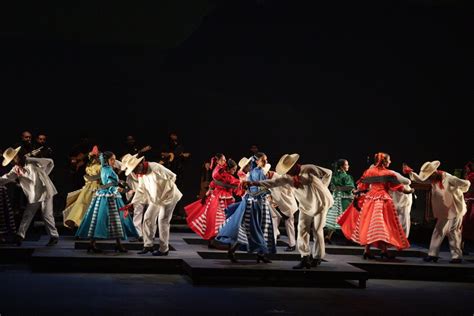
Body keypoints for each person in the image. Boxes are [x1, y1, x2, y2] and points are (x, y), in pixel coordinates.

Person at [245, 153, 333, 269]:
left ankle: (317, 257)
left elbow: (328, 172)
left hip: (320, 203)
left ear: (293, 165)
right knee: (301, 229)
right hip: (305, 205)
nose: (287, 172)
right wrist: (254, 183)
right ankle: (304, 257)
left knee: (317, 230)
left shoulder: (308, 168)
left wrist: (323, 187)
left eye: (288, 169)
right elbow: (273, 183)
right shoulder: (287, 177)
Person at [340, 153, 413, 260]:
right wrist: (410, 191)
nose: (390, 162)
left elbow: (361, 185)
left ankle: (369, 250)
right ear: (383, 161)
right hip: (382, 201)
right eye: (389, 160)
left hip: (369, 200)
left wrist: (356, 192)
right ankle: (382, 251)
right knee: (381, 226)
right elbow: (400, 188)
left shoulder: (369, 172)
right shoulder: (388, 173)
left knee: (371, 225)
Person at [404, 160, 470, 263]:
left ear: (434, 172)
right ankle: (433, 254)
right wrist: (410, 173)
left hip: (455, 208)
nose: (429, 178)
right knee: (438, 230)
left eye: (430, 176)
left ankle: (457, 257)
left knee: (453, 231)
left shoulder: (448, 177)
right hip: (444, 208)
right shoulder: (433, 179)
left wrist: (459, 191)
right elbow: (421, 180)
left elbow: (466, 183)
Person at [216, 153, 276, 264]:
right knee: (250, 229)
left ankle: (260, 254)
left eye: (266, 160)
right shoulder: (255, 173)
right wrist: (268, 194)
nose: (266, 162)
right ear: (257, 161)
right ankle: (234, 251)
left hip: (259, 203)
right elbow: (255, 190)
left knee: (260, 228)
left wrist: (267, 195)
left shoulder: (257, 172)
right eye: (263, 160)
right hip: (254, 204)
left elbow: (259, 188)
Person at [76, 152, 138, 253]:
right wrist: (117, 188)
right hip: (108, 196)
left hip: (108, 195)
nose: (114, 161)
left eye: (114, 159)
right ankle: (103, 243)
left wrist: (119, 182)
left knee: (110, 219)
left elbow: (107, 182)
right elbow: (107, 184)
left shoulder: (106, 168)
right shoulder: (107, 169)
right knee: (106, 219)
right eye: (112, 159)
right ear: (106, 160)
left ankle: (112, 244)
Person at [122, 153, 182, 256]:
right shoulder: (141, 175)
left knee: (162, 220)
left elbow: (173, 176)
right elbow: (140, 190)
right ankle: (148, 245)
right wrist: (132, 203)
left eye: (135, 169)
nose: (135, 172)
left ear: (140, 163)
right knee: (147, 218)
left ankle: (164, 249)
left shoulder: (155, 167)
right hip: (156, 199)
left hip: (168, 197)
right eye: (133, 170)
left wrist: (166, 191)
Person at [0, 147, 59, 246]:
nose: (12, 162)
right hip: (34, 193)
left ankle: (54, 236)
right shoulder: (15, 169)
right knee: (28, 213)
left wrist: (45, 175)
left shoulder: (31, 161)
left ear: (17, 156)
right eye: (10, 161)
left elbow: (50, 162)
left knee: (46, 214)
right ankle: (20, 235)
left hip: (45, 190)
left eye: (13, 159)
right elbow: (6, 178)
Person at [185, 155, 241, 247]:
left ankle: (216, 241)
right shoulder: (221, 173)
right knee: (220, 219)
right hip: (219, 198)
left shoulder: (221, 172)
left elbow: (213, 183)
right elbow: (234, 182)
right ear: (218, 161)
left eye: (225, 160)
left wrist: (209, 191)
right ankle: (216, 241)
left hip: (218, 197)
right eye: (233, 169)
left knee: (216, 219)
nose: (224, 162)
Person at [62, 146, 101, 229]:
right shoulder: (88, 164)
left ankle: (93, 228)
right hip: (88, 186)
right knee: (80, 205)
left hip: (97, 187)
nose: (92, 157)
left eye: (94, 156)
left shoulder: (101, 165)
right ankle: (78, 224)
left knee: (93, 207)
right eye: (91, 156)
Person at [324, 159, 355, 244]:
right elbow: (350, 188)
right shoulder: (346, 176)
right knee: (346, 218)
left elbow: (332, 188)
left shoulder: (334, 176)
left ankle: (328, 236)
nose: (348, 166)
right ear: (342, 167)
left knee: (334, 217)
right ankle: (349, 238)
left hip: (335, 198)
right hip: (344, 199)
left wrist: (336, 189)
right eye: (346, 165)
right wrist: (355, 192)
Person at [462, 161, 474, 254]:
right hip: (469, 200)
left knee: (467, 222)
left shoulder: (471, 176)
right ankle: (463, 246)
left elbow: (468, 189)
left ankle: (463, 246)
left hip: (470, 201)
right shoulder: (470, 176)